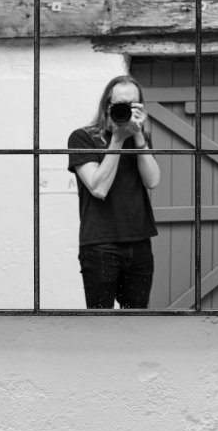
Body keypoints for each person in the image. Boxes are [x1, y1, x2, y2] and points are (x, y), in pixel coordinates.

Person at [67, 75, 161, 309]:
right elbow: (99, 188)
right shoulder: (83, 137)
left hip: (139, 241)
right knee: (100, 324)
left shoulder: (140, 138)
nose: (125, 110)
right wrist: (117, 139)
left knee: (136, 321)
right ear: (106, 106)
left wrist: (138, 135)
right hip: (100, 244)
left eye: (132, 105)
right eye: (119, 104)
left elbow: (153, 181)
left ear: (141, 107)